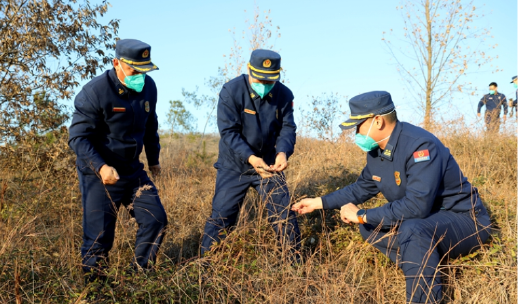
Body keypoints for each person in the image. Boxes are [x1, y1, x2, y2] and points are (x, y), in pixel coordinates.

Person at [292, 91, 491, 303]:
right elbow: (360, 188)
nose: (355, 133)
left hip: (465, 221)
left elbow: (416, 207)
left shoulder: (420, 146)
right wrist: (318, 202)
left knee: (410, 229)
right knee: (370, 226)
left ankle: (423, 296)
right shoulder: (377, 152)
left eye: (358, 126)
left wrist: (362, 214)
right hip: (431, 221)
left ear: (377, 121)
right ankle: (421, 264)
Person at [69, 39, 168, 280]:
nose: (140, 76)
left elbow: (150, 125)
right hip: (100, 175)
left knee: (156, 219)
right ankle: (96, 289)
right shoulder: (95, 92)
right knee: (99, 237)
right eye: (135, 70)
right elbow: (78, 138)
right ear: (117, 63)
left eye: (144, 71)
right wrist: (101, 167)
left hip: (133, 171)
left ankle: (139, 276)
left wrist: (154, 159)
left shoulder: (148, 87)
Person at [200, 49, 301, 260]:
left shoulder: (285, 95)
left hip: (269, 166)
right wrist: (251, 158)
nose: (264, 85)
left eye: (270, 81)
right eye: (260, 80)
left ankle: (295, 264)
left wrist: (282, 153)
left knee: (283, 214)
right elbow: (229, 132)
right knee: (222, 217)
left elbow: (287, 129)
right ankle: (205, 267)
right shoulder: (231, 91)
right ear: (248, 69)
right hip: (234, 166)